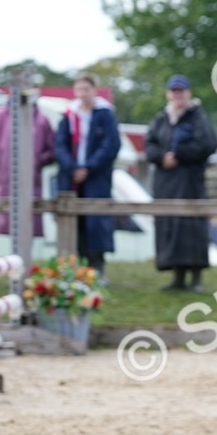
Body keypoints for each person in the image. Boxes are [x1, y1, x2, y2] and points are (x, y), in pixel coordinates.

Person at [145, 74, 217, 291]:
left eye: (181, 91)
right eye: (174, 91)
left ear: (188, 93)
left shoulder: (197, 117)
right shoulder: (161, 119)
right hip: (166, 184)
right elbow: (149, 144)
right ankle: (177, 277)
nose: (178, 95)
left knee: (191, 229)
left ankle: (195, 278)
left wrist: (178, 155)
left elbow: (207, 144)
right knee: (170, 228)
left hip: (190, 183)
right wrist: (161, 157)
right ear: (169, 94)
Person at [55, 73, 121, 284]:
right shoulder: (69, 115)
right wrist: (72, 167)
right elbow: (60, 145)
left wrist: (89, 168)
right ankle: (74, 268)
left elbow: (110, 145)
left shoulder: (105, 114)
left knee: (96, 222)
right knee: (74, 223)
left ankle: (97, 267)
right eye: (79, 89)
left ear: (94, 90)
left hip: (96, 177)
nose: (82, 94)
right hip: (71, 177)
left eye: (86, 89)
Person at [0, 97, 57, 239]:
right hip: (6, 182)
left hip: (31, 183)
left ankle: (25, 259)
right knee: (4, 225)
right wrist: (0, 159)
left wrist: (38, 160)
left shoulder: (41, 119)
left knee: (28, 224)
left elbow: (52, 149)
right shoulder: (0, 115)